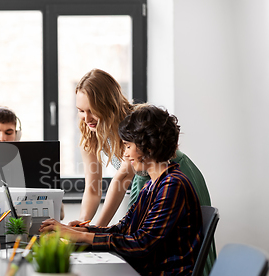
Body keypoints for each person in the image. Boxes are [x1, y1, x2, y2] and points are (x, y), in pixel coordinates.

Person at [40, 104, 203, 276]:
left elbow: (141, 243)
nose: (125, 155)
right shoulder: (153, 185)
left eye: (127, 146)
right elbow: (123, 228)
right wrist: (82, 230)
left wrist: (79, 237)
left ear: (148, 148)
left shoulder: (172, 185)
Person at [73, 69, 210, 227]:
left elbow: (123, 178)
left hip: (176, 177)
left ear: (108, 105)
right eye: (81, 111)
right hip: (148, 185)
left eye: (92, 111)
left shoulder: (134, 121)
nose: (87, 118)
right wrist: (82, 224)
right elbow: (92, 189)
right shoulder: (89, 132)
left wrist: (96, 230)